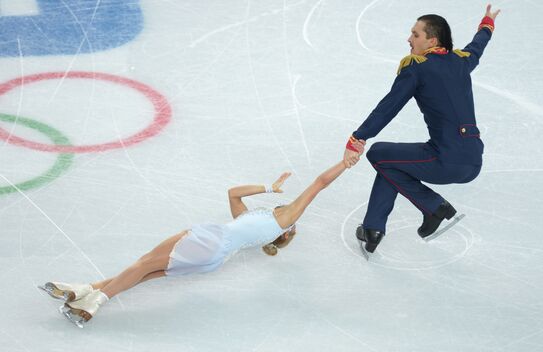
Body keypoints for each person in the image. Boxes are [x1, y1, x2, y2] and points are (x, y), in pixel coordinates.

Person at [39, 147, 364, 328]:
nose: (290, 209)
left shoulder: (283, 220)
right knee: (142, 274)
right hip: (213, 257)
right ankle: (84, 290)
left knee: (140, 265)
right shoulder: (254, 222)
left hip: (208, 241)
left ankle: (94, 303)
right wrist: (268, 188)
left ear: (289, 230)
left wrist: (345, 162)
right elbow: (234, 194)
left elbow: (320, 183)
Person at [344, 5, 501, 254]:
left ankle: (434, 207)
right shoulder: (461, 61)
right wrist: (486, 24)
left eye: (415, 34)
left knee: (378, 154)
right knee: (390, 162)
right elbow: (477, 47)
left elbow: (388, 107)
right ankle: (372, 229)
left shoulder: (417, 68)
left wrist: (358, 138)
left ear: (432, 40)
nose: (409, 39)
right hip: (473, 162)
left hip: (445, 160)